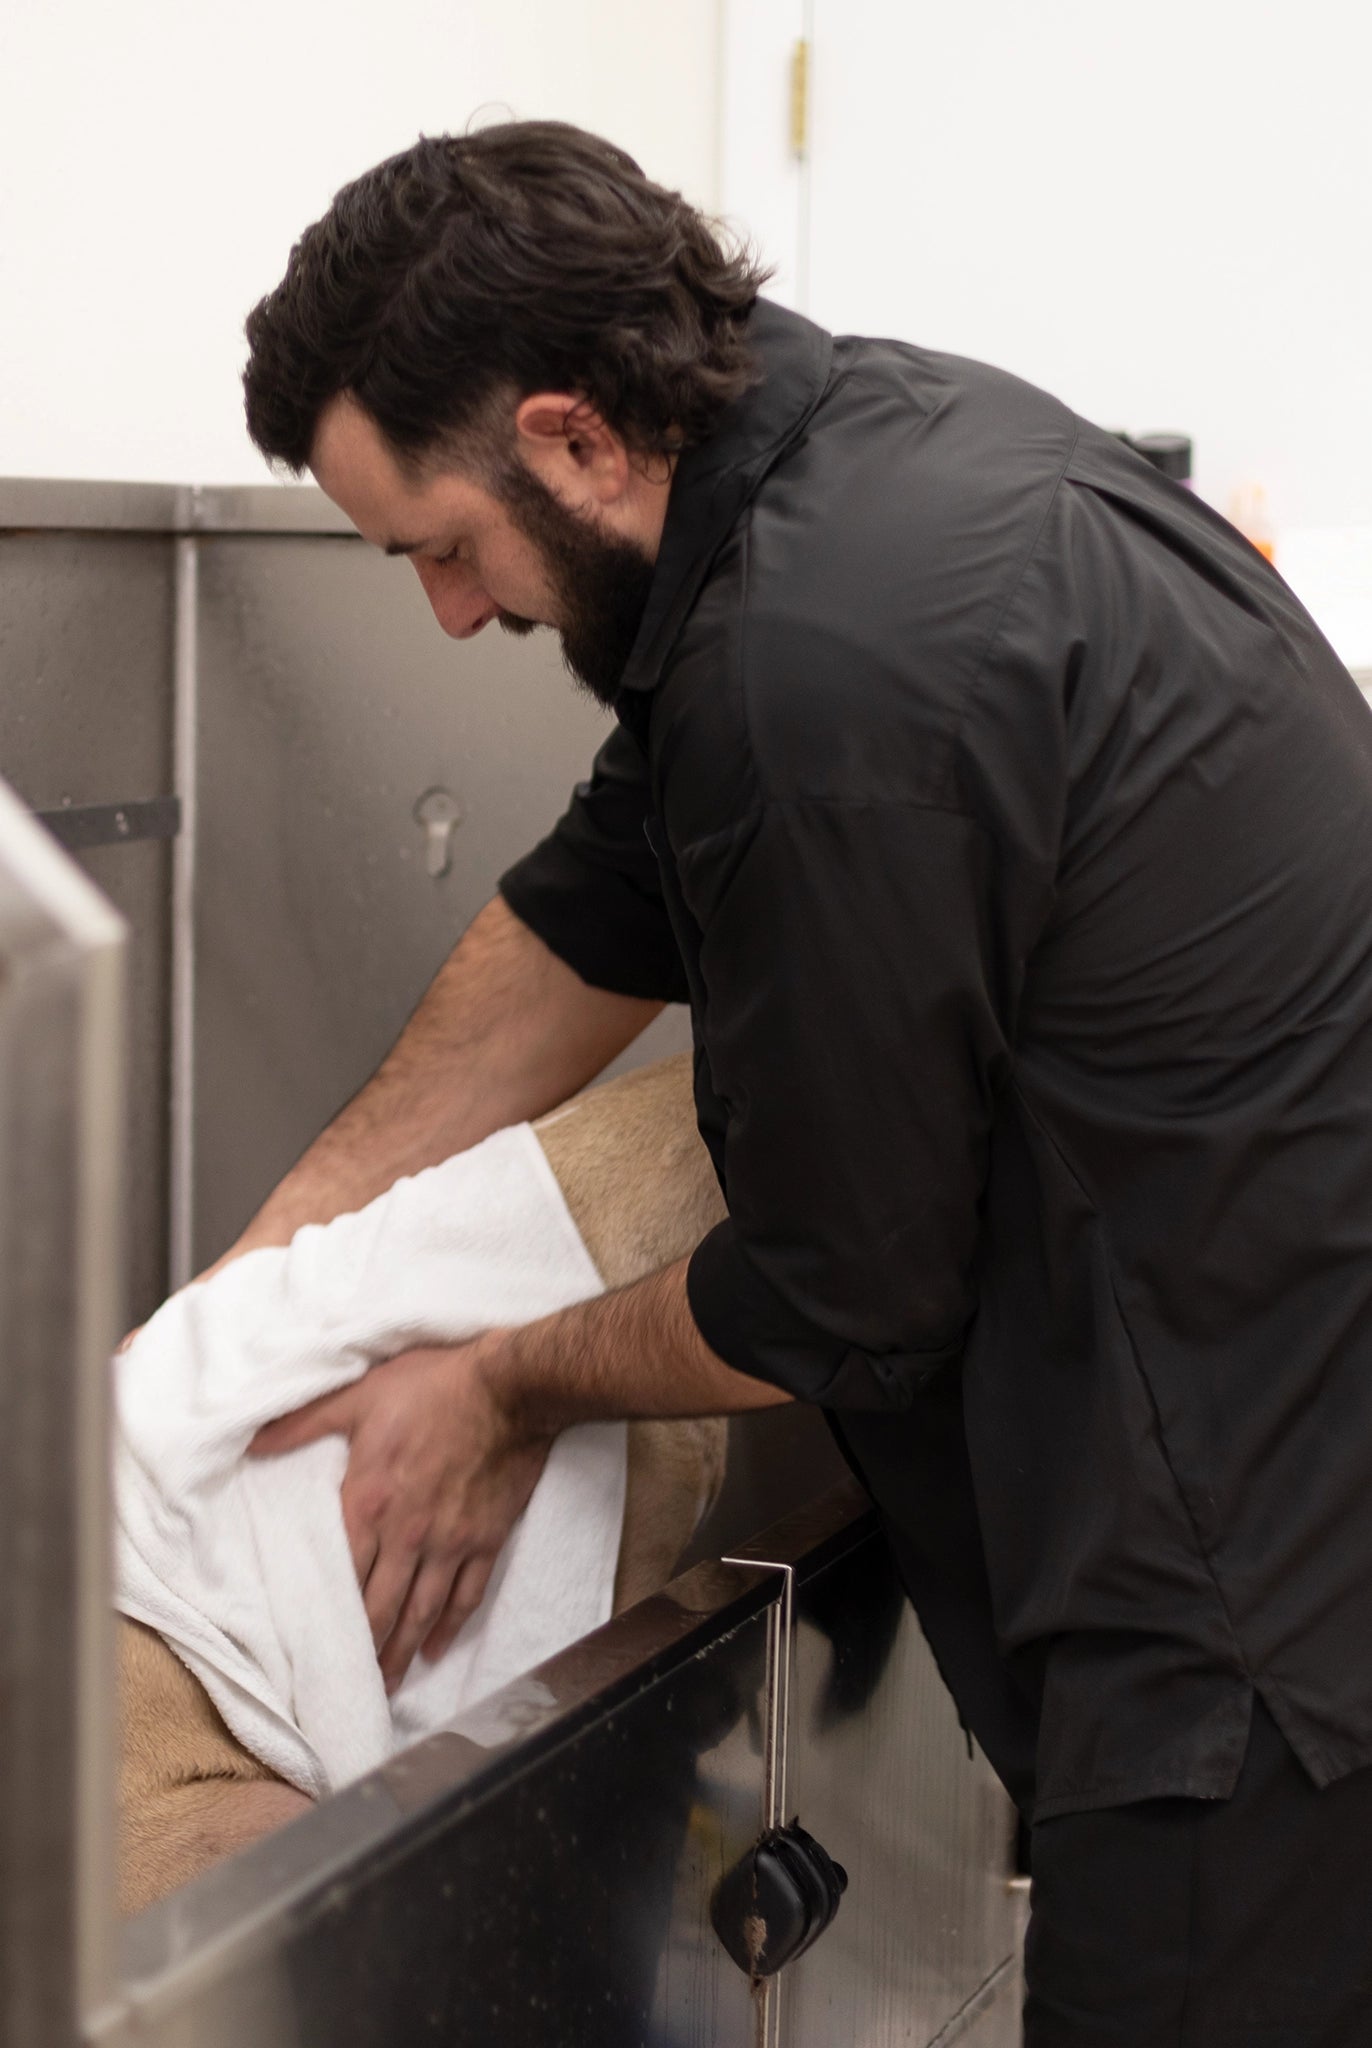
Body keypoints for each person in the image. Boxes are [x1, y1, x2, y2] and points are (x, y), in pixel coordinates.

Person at [238, 121, 1372, 2043]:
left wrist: (499, 1385)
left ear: (572, 438)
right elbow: (592, 913)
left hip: (1250, 1607)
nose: (450, 613)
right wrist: (264, 1292)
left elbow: (844, 1293)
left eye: (443, 547)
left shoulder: (823, 670)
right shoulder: (855, 464)